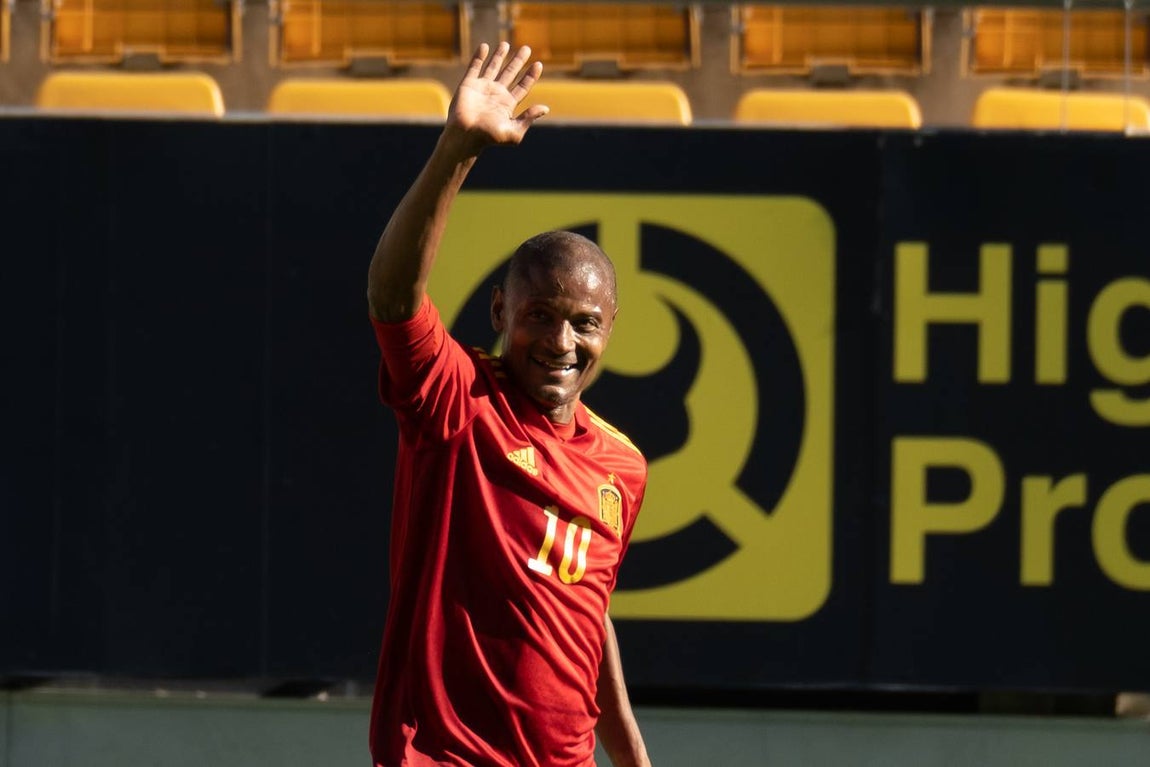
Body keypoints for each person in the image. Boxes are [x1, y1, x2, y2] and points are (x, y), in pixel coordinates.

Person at [365, 41, 652, 767]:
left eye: (584, 322)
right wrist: (456, 153)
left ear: (609, 329)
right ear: (500, 309)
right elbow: (393, 297)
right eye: (541, 314)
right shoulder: (456, 402)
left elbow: (587, 615)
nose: (561, 340)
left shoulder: (622, 465)